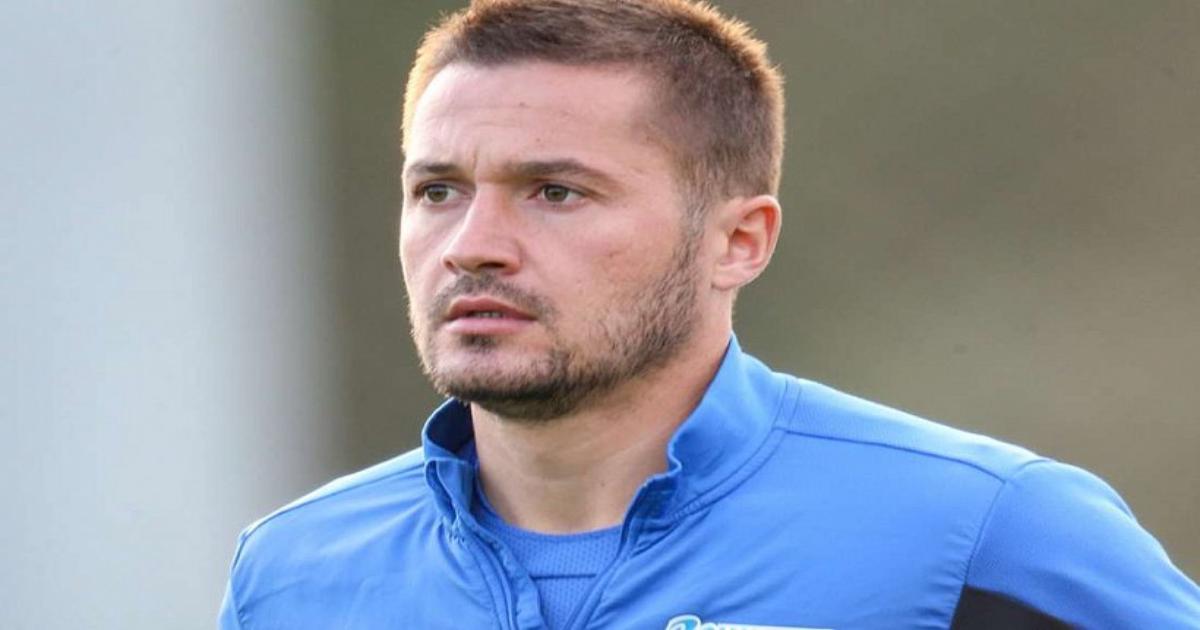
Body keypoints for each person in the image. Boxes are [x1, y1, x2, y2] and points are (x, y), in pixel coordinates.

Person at [219, 0, 1200, 627]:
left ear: (739, 240)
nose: (472, 244)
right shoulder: (298, 573)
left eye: (555, 191)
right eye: (438, 191)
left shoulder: (982, 529)